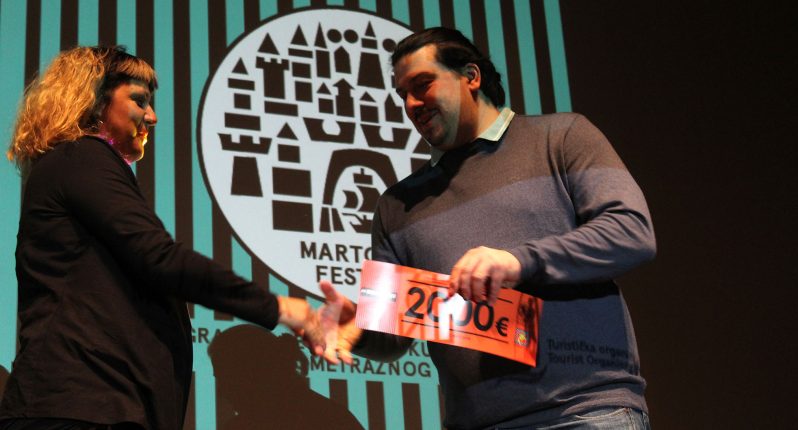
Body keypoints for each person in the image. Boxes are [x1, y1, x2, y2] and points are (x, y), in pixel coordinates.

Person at [319, 27, 656, 429]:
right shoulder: (396, 206)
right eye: (402, 94)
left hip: (583, 411)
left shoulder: (561, 137)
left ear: (471, 76)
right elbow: (393, 337)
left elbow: (630, 231)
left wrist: (518, 262)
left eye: (422, 85)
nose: (411, 104)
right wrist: (358, 330)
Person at [0, 46, 330, 429]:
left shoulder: (73, 164)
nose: (152, 116)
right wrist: (284, 309)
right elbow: (160, 258)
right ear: (94, 100)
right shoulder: (82, 157)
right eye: (139, 100)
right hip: (80, 410)